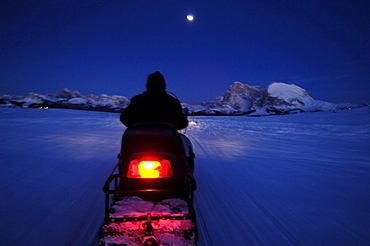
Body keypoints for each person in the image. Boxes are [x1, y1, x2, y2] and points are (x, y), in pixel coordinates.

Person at [120, 71, 188, 130]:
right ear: (164, 85)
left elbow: (125, 118)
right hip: (166, 139)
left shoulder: (137, 100)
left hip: (140, 138)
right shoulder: (172, 101)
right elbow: (182, 123)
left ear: (147, 85)